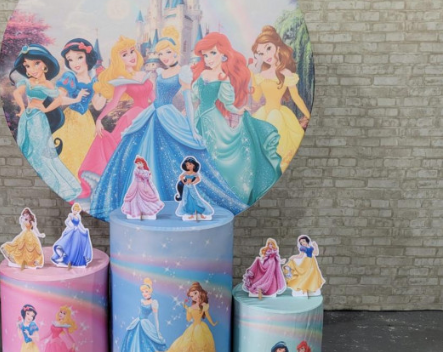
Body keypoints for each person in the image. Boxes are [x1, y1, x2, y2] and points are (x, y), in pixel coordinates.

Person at [89, 27, 246, 220]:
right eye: (161, 54)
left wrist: (192, 128)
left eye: (168, 52)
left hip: (168, 115)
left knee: (172, 156)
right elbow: (145, 94)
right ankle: (140, 203)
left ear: (176, 52)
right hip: (152, 113)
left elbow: (188, 102)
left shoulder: (184, 72)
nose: (164, 57)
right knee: (134, 153)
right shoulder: (159, 73)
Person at [191, 32, 282, 206]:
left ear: (223, 54)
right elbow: (194, 98)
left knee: (216, 156)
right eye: (205, 55)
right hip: (200, 117)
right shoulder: (203, 75)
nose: (209, 59)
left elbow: (227, 103)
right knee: (200, 155)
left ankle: (220, 195)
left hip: (213, 121)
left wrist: (239, 111)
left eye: (213, 53)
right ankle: (201, 194)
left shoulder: (223, 78)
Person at [77, 36, 154, 199]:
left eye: (132, 51)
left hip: (149, 115)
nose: (131, 56)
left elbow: (154, 99)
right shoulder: (123, 81)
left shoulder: (144, 75)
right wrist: (99, 119)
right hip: (133, 118)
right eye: (124, 54)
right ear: (119, 60)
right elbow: (113, 103)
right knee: (129, 152)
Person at [9, 44, 81, 201]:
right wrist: (22, 108)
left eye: (36, 63)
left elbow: (59, 99)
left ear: (45, 65)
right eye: (27, 66)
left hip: (38, 119)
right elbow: (17, 93)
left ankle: (48, 183)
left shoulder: (47, 85)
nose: (32, 69)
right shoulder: (27, 82)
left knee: (39, 149)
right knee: (25, 146)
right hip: (26, 118)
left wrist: (46, 109)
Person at [251, 26, 311, 172]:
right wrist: (253, 78)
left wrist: (308, 115)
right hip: (263, 113)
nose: (266, 55)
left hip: (277, 114)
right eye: (261, 53)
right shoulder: (262, 75)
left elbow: (296, 97)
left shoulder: (286, 73)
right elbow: (256, 97)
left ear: (277, 47)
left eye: (268, 48)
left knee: (274, 132)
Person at [146, 282, 218, 352]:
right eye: (192, 296)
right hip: (194, 329)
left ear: (200, 292)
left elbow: (207, 315)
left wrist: (213, 323)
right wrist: (187, 310)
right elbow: (189, 319)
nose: (194, 297)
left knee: (204, 351)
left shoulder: (204, 306)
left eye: (195, 294)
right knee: (183, 351)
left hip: (201, 329)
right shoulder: (192, 307)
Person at [52, 38, 106, 176]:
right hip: (71, 120)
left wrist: (107, 91)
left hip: (87, 122)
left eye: (79, 57)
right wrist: (76, 99)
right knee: (71, 151)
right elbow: (59, 100)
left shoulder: (94, 81)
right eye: (70, 60)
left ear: (88, 57)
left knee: (86, 152)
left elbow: (97, 105)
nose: (75, 63)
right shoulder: (70, 77)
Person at [118, 278, 167, 352]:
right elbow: (139, 313)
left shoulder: (154, 303)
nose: (144, 294)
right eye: (143, 292)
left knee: (146, 347)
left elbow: (156, 318)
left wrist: (158, 332)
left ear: (151, 291)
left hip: (145, 324)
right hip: (138, 323)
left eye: (146, 291)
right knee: (132, 346)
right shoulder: (141, 301)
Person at [51, 203, 93, 267]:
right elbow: (66, 222)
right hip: (73, 232)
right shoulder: (71, 215)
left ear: (78, 211)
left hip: (78, 232)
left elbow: (80, 224)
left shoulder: (78, 216)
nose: (75, 211)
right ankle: (67, 259)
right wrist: (71, 226)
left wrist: (84, 230)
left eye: (76, 210)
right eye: (74, 209)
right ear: (72, 209)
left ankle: (76, 261)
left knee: (77, 246)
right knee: (70, 245)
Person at [174, 156, 214, 221]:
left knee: (195, 199)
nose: (189, 166)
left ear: (194, 165)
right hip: (186, 188)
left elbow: (198, 179)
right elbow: (181, 176)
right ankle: (191, 214)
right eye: (187, 165)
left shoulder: (195, 173)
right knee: (187, 199)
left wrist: (193, 182)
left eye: (190, 164)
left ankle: (201, 213)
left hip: (191, 187)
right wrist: (183, 182)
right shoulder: (186, 172)